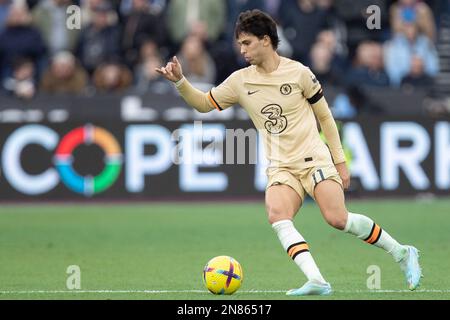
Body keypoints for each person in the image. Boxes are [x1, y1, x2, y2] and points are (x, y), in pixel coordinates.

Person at [156, 9, 422, 296]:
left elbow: (326, 119)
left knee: (337, 219)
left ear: (266, 40)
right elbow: (204, 104)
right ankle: (318, 281)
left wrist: (340, 162)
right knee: (277, 214)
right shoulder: (240, 81)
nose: (241, 49)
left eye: (246, 43)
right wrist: (181, 83)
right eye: (240, 44)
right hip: (281, 166)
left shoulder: (299, 73)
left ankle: (402, 252)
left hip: (314, 159)